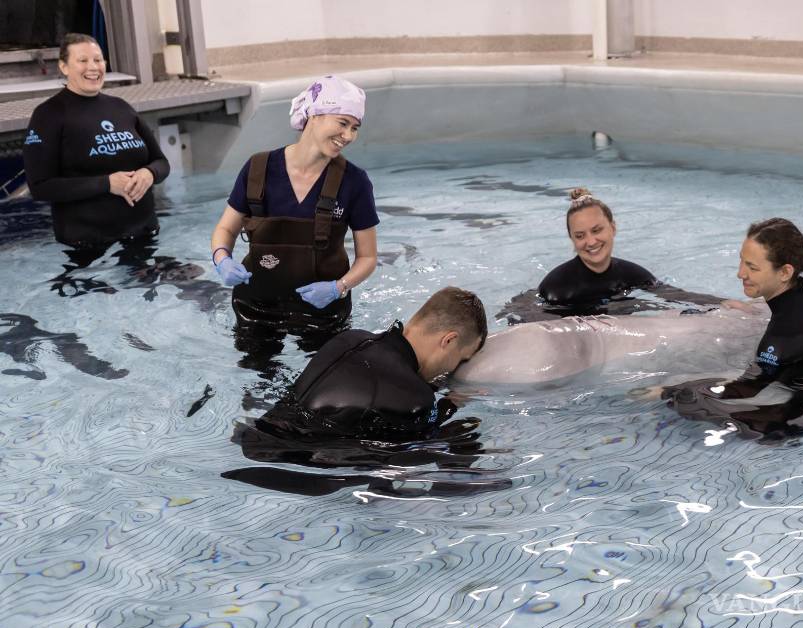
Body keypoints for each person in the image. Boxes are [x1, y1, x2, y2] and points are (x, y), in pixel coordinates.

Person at [223, 287, 493, 494]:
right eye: (461, 359)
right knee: (459, 435)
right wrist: (452, 404)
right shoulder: (415, 400)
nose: (454, 369)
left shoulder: (350, 339)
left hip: (248, 442)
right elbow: (415, 442)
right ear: (449, 340)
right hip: (297, 480)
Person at [209, 75, 378, 367]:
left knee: (324, 383)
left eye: (354, 127)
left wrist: (339, 287)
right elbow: (226, 228)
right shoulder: (258, 169)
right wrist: (221, 258)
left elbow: (368, 257)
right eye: (342, 122)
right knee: (256, 381)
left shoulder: (355, 182)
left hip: (323, 310)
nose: (348, 135)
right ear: (313, 115)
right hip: (256, 305)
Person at [659, 217, 803, 440]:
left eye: (752, 267)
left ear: (785, 272)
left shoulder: (780, 336)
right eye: (742, 262)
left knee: (689, 400)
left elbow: (749, 387)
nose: (740, 273)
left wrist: (672, 390)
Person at [23, 33, 170, 253]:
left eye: (98, 60)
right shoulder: (49, 115)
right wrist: (107, 184)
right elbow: (40, 187)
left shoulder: (121, 107)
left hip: (144, 234)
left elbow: (161, 162)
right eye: (83, 61)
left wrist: (149, 174)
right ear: (64, 67)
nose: (93, 67)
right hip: (88, 245)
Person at [498, 188, 721, 323]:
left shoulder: (632, 273)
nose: (591, 242)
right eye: (580, 235)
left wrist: (725, 304)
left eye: (597, 230)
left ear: (613, 228)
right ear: (572, 241)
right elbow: (529, 321)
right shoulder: (557, 287)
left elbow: (675, 295)